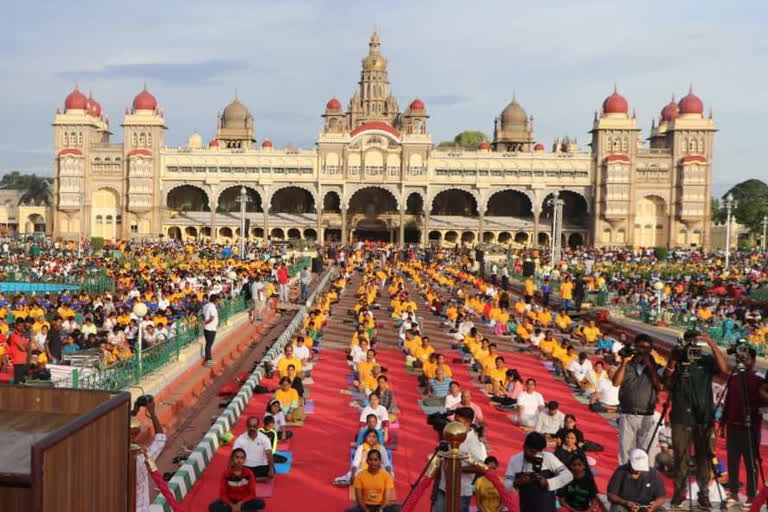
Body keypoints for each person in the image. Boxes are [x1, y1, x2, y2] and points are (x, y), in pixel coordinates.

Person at [663, 330, 728, 509]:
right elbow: (665, 383)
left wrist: (711, 343)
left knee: (705, 457)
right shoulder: (678, 359)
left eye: (695, 342)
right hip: (681, 416)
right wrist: (674, 360)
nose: (692, 346)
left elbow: (724, 370)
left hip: (703, 416)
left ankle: (703, 493)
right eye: (689, 341)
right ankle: (679, 493)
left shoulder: (705, 360)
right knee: (680, 457)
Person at [721, 346, 765, 507]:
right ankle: (733, 493)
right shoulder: (734, 377)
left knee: (750, 463)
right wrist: (724, 421)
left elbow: (764, 402)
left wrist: (753, 408)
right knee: (732, 461)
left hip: (750, 428)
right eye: (740, 359)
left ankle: (752, 495)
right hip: (733, 426)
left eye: (746, 359)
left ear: (752, 361)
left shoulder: (759, 380)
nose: (742, 362)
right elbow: (728, 400)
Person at [611, 334, 661, 465]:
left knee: (647, 453)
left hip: (648, 415)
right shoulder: (628, 364)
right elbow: (616, 382)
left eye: (645, 348)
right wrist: (623, 362)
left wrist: (650, 365)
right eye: (639, 347)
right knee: (625, 452)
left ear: (651, 349)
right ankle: (625, 480)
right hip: (628, 414)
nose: (642, 350)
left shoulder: (656, 367)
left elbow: (660, 386)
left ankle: (646, 480)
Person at [504, 431, 573, 512]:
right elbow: (506, 485)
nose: (535, 455)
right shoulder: (515, 460)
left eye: (538, 452)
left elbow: (568, 475)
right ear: (524, 447)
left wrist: (547, 482)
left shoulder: (548, 457)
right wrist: (517, 482)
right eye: (532, 451)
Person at [434, 407, 487, 512]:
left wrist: (458, 469)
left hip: (461, 492)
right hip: (444, 486)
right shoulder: (452, 434)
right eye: (454, 421)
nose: (454, 424)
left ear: (467, 422)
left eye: (458, 421)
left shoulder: (473, 442)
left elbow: (480, 468)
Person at [132, 396, 166, 512]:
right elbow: (160, 440)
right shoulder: (141, 460)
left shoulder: (111, 460)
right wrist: (152, 412)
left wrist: (133, 412)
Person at [8, 319, 30, 384]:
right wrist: (26, 344)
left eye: (22, 326)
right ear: (16, 325)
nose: (21, 328)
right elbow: (23, 348)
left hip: (22, 360)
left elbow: (26, 346)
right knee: (18, 382)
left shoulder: (21, 335)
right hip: (17, 361)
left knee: (20, 381)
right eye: (19, 326)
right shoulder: (15, 335)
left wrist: (26, 344)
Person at [202, 294, 219, 367]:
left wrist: (205, 321)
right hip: (211, 328)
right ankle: (208, 361)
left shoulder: (206, 306)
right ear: (215, 300)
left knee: (208, 344)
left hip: (207, 328)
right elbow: (212, 317)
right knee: (209, 345)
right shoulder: (212, 307)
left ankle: (208, 359)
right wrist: (205, 322)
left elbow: (202, 314)